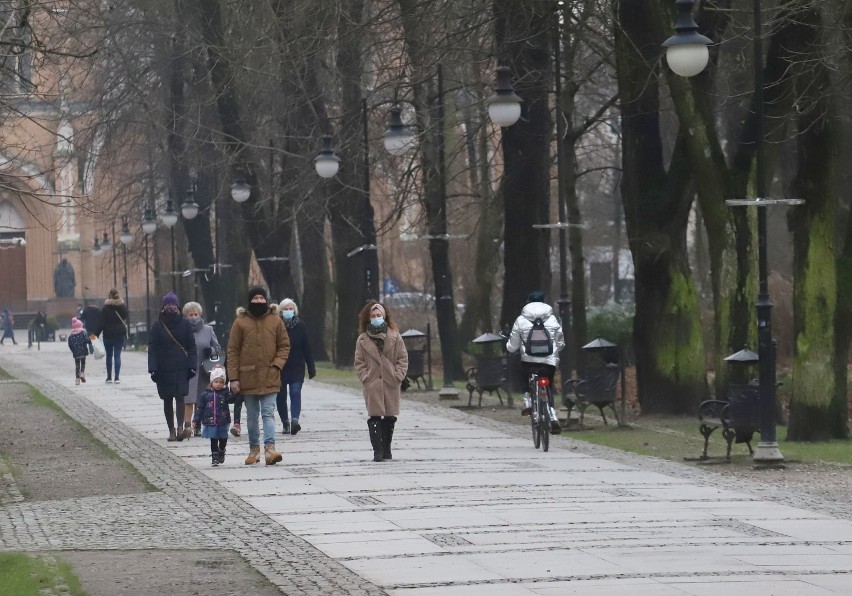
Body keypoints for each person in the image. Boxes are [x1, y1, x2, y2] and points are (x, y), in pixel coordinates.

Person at [226, 287, 290, 465]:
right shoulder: (240, 322)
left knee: (268, 413)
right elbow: (232, 351)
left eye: (262, 298)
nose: (259, 301)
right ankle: (254, 450)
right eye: (256, 298)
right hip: (248, 377)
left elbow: (284, 346)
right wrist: (234, 378)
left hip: (270, 375)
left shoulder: (275, 321)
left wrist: (277, 365)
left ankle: (270, 449)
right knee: (252, 415)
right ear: (250, 300)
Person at [353, 302, 408, 462]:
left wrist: (398, 375)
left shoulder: (395, 336)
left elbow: (403, 358)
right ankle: (377, 451)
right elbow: (359, 362)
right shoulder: (362, 339)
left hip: (391, 381)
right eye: (373, 316)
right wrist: (366, 377)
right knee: (375, 416)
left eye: (379, 315)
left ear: (384, 316)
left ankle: (387, 449)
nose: (376, 318)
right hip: (373, 383)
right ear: (367, 318)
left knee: (390, 417)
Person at [505, 290, 565, 434]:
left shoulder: (521, 319)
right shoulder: (552, 319)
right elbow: (561, 343)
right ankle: (552, 414)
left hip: (529, 360)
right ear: (544, 302)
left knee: (523, 372)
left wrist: (510, 348)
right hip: (549, 361)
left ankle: (527, 401)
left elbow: (513, 345)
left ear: (528, 302)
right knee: (548, 386)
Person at [149, 292, 197, 442]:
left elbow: (192, 347)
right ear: (163, 307)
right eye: (167, 305)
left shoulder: (185, 324)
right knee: (167, 400)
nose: (170, 307)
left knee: (180, 398)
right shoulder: (157, 326)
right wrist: (153, 368)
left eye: (173, 304)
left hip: (181, 368)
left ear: (178, 306)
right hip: (163, 369)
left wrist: (192, 366)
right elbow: (152, 348)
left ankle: (180, 427)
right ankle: (171, 430)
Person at [276, 298, 316, 436]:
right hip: (280, 366)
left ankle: (294, 420)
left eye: (290, 308)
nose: (288, 311)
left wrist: (311, 366)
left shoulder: (301, 326)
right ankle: (285, 422)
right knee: (281, 396)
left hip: (297, 365)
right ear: (280, 311)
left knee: (295, 392)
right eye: (285, 309)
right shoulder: (276, 326)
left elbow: (307, 348)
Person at [183, 301, 222, 439]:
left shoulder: (208, 330)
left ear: (200, 315)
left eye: (195, 314)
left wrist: (210, 350)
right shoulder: (182, 329)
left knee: (201, 400)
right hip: (188, 369)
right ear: (185, 316)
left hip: (204, 369)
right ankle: (187, 426)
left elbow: (217, 348)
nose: (193, 317)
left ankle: (197, 425)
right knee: (188, 399)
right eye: (190, 314)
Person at [193, 367, 233, 466]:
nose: (218, 384)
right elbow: (200, 408)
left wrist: (234, 393)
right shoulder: (205, 395)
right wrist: (195, 420)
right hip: (210, 421)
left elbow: (232, 400)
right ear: (211, 382)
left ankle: (222, 450)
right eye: (216, 382)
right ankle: (214, 457)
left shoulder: (225, 393)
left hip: (223, 420)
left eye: (221, 382)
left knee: (223, 438)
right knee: (213, 439)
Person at [101, 289, 129, 383]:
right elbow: (125, 316)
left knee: (109, 355)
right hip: (119, 333)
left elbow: (101, 322)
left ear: (110, 296)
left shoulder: (105, 308)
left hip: (108, 334)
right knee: (117, 355)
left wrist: (94, 335)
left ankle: (109, 377)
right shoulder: (122, 306)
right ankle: (117, 377)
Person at [67, 317, 92, 385]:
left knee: (77, 365)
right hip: (83, 351)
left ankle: (77, 379)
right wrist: (92, 338)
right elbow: (87, 341)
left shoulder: (71, 336)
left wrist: (73, 350)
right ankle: (82, 373)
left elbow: (70, 344)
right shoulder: (83, 333)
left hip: (76, 353)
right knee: (83, 363)